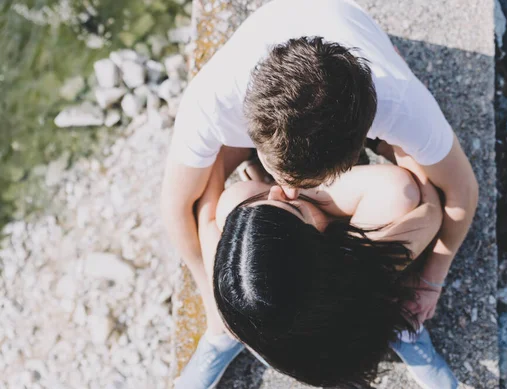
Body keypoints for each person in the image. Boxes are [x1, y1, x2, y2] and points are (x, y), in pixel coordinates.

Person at [161, 0, 478, 387]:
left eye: (302, 182)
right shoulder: (212, 102)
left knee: (405, 194)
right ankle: (226, 328)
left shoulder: (398, 102)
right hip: (268, 114)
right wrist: (215, 302)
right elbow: (178, 208)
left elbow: (460, 191)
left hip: (359, 100)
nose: (288, 191)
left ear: (358, 148)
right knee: (232, 240)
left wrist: (429, 280)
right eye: (283, 178)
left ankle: (380, 307)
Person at [174, 149, 456, 388]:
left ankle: (394, 322)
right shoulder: (244, 203)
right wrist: (219, 311)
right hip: (296, 311)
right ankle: (224, 330)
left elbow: (429, 210)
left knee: (400, 194)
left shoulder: (353, 269)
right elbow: (429, 212)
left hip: (338, 267)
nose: (275, 191)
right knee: (235, 205)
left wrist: (297, 185)